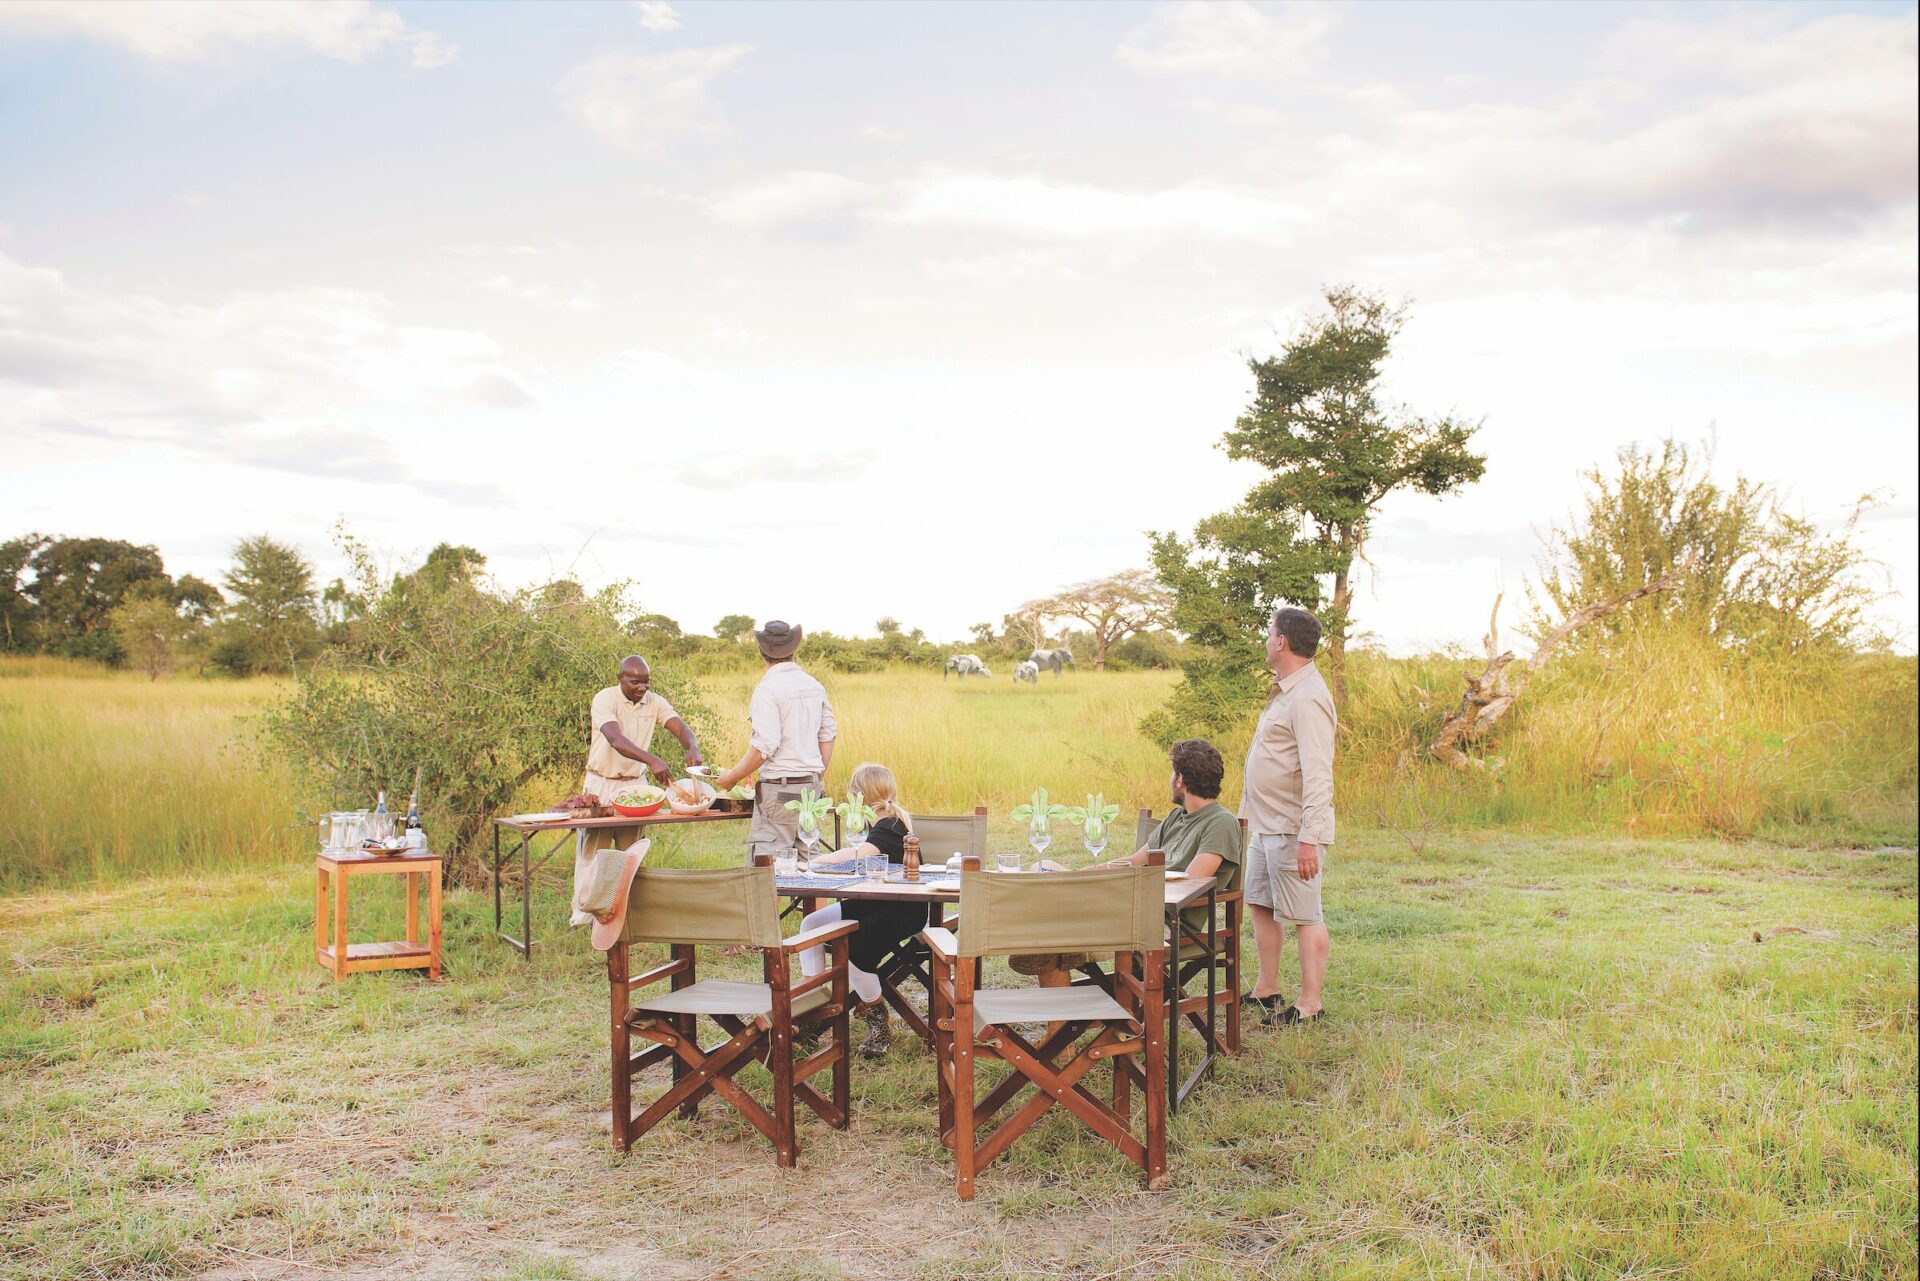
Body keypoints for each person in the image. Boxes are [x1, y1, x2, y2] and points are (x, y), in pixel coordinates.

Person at [1240, 605, 1336, 1026]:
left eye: (1269, 634)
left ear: (1281, 641)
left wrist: (1309, 837)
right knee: (1260, 902)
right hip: (1266, 823)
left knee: (1304, 914)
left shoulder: (1309, 696)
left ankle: (1310, 1005)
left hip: (1292, 828)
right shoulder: (1286, 689)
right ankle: (1267, 988)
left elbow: (1318, 772)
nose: (1266, 640)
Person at [795, 762, 918, 1057]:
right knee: (811, 925)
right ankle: (814, 1004)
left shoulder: (891, 825)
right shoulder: (880, 824)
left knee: (855, 951)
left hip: (900, 910)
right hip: (872, 901)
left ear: (859, 797)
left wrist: (813, 863)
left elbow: (857, 855)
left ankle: (878, 1022)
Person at [569, 655, 702, 928]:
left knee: (630, 852)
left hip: (634, 785)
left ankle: (621, 914)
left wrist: (692, 745)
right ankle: (582, 916)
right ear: (620, 679)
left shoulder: (654, 701)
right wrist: (652, 760)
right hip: (602, 782)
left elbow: (680, 728)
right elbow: (615, 739)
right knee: (593, 852)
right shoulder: (605, 699)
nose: (642, 687)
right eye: (635, 682)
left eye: (646, 682)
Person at [713, 620, 838, 863]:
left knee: (767, 867)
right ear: (793, 649)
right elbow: (828, 735)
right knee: (810, 863)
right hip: (811, 787)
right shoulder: (814, 686)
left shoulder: (767, 689)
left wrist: (732, 777)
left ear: (763, 652)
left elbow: (765, 746)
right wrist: (816, 774)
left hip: (780, 789)